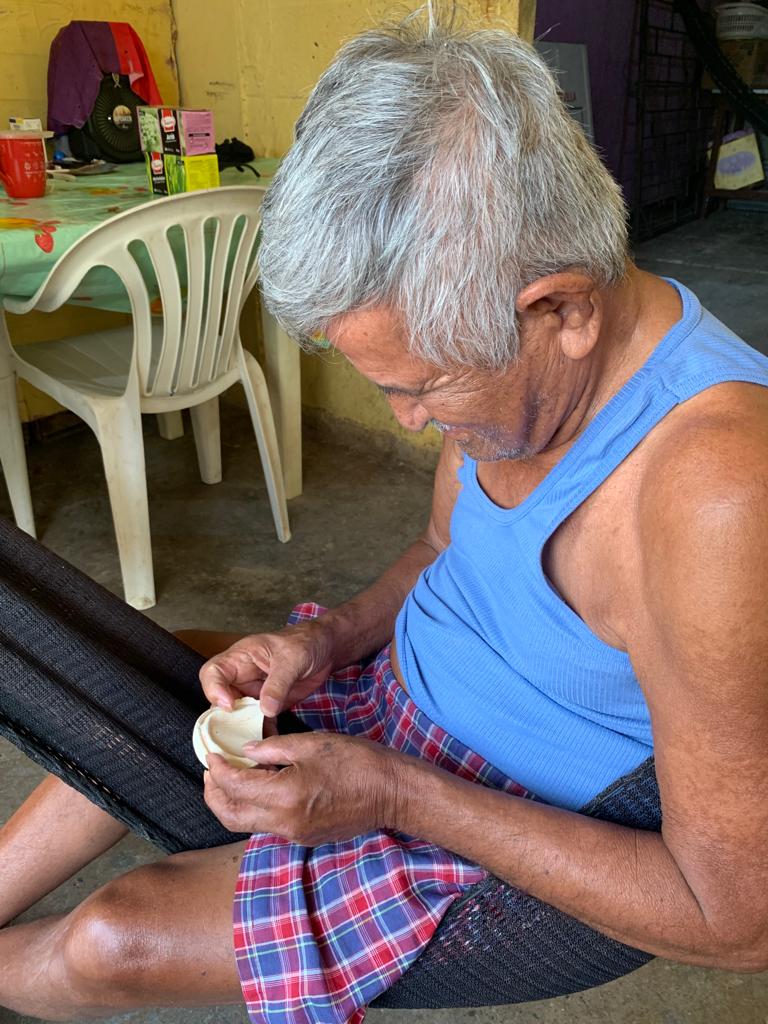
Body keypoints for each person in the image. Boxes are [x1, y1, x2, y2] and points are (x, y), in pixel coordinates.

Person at [1, 7, 768, 1022]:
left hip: (497, 819)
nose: (411, 421)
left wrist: (392, 794)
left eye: (422, 387)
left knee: (117, 935)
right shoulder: (521, 367)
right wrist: (329, 640)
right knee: (132, 674)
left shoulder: (717, 494)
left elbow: (738, 920)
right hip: (391, 707)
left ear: (563, 308)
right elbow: (443, 549)